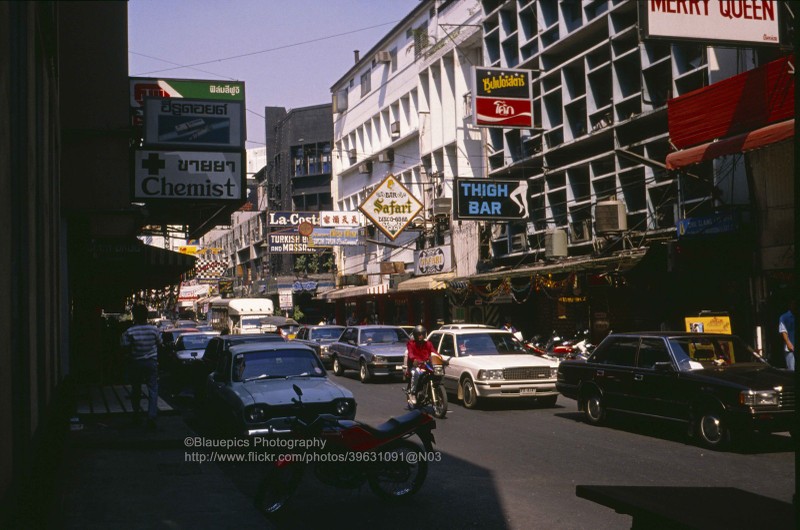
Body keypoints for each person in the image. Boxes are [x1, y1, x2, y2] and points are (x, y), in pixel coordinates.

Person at [120, 303, 163, 430]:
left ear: (134, 316)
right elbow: (160, 344)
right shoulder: (154, 329)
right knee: (153, 389)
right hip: (151, 362)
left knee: (136, 389)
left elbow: (124, 347)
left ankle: (136, 415)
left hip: (136, 362)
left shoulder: (130, 331)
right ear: (146, 315)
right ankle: (151, 416)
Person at [405, 325, 437, 406]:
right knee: (416, 373)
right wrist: (414, 360)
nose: (420, 336)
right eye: (418, 334)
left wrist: (441, 359)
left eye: (422, 334)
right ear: (415, 335)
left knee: (436, 373)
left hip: (426, 365)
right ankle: (412, 393)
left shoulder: (428, 344)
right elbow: (411, 353)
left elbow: (434, 353)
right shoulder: (411, 344)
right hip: (415, 366)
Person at [778, 299, 796, 371]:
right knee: (792, 369)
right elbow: (783, 330)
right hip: (791, 346)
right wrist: (788, 343)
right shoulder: (784, 317)